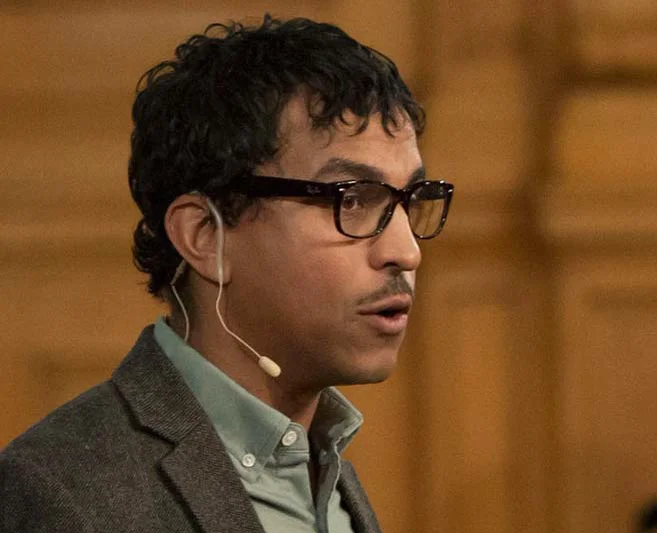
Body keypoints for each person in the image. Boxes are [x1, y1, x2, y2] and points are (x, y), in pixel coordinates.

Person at [0, 13, 453, 533]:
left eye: (410, 200)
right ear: (205, 235)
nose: (406, 252)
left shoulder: (324, 465)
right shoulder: (59, 494)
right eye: (351, 200)